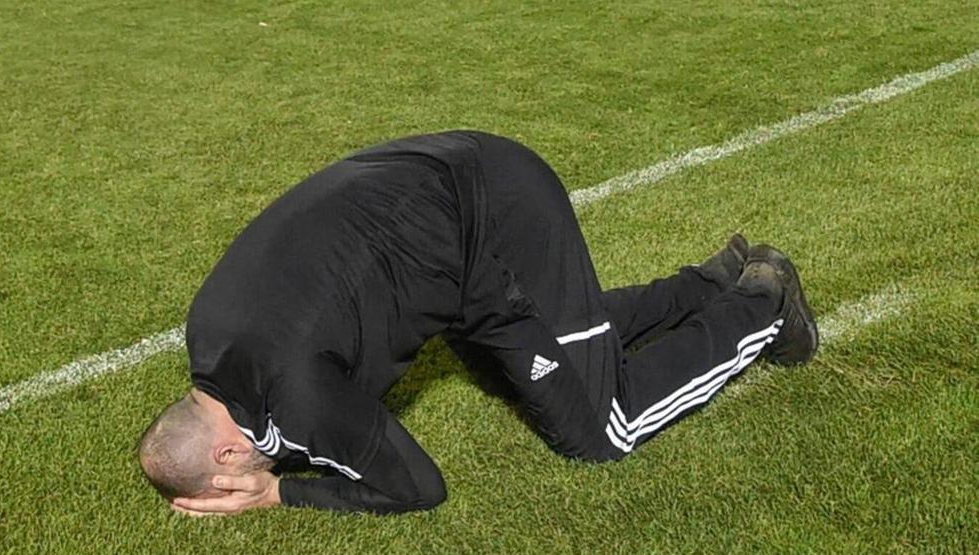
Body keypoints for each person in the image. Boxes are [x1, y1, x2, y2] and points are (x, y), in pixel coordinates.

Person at [140, 132, 817, 515]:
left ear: (228, 456)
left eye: (228, 478)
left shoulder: (296, 395)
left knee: (601, 427)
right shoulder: (206, 330)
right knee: (518, 371)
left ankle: (763, 302)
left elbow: (416, 486)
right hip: (431, 193)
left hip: (497, 216)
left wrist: (277, 492)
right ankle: (710, 281)